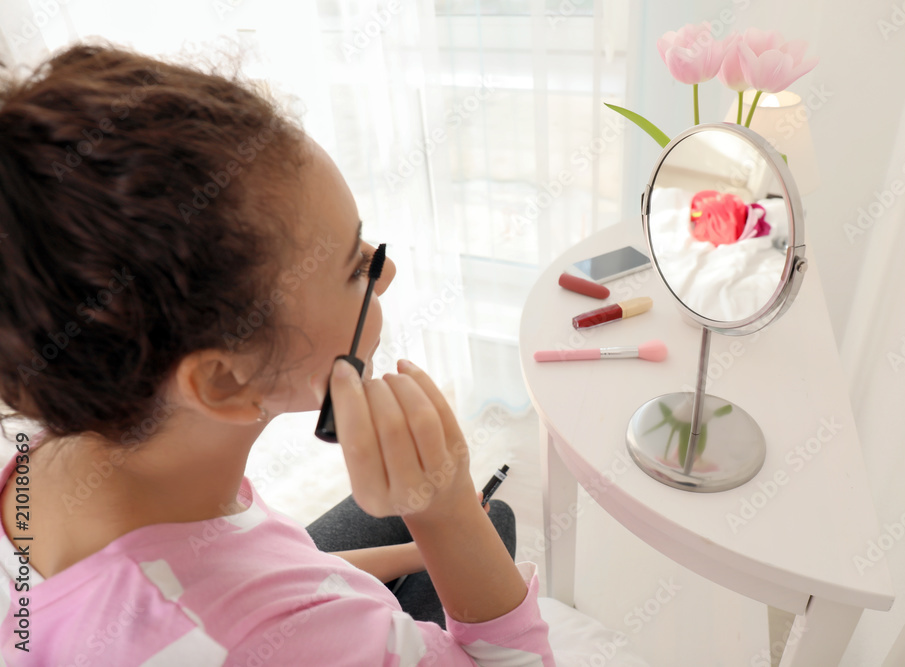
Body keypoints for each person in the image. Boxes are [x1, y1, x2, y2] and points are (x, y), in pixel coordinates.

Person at [0, 40, 553, 665]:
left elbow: (253, 563)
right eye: (355, 268)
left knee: (473, 522)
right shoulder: (265, 643)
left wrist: (420, 547)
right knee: (490, 523)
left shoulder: (61, 436)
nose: (387, 270)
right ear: (224, 383)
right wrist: (448, 513)